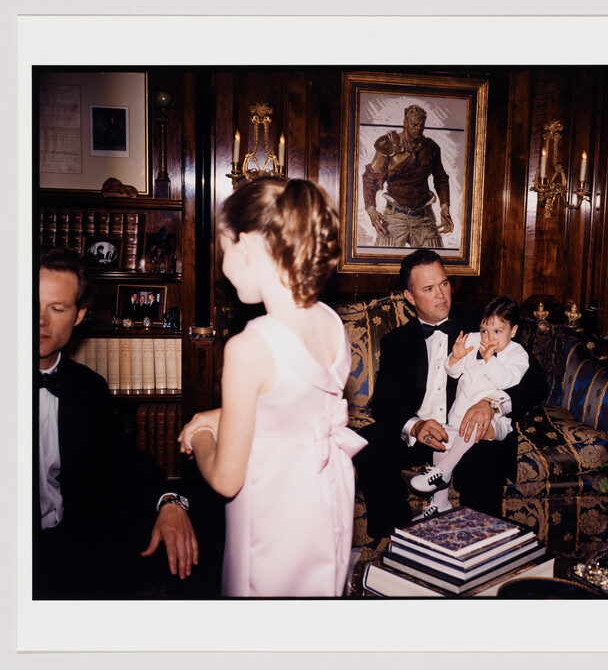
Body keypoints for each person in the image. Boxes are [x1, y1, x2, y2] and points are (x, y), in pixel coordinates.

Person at [178, 178, 366, 597]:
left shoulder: (249, 346)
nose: (225, 268)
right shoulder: (332, 324)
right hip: (322, 501)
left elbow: (228, 479)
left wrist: (205, 434)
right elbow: (291, 409)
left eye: (224, 251)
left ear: (244, 246)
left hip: (271, 516)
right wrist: (221, 413)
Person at [36, 247, 198, 599]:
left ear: (79, 316)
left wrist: (169, 502)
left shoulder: (88, 387)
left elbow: (123, 461)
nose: (40, 320)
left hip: (69, 550)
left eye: (57, 308)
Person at [352, 249, 548, 539]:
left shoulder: (482, 324)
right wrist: (415, 426)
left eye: (443, 283)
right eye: (429, 288)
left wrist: (491, 404)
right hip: (426, 434)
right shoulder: (397, 342)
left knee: (483, 459)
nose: (441, 294)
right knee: (368, 446)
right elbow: (383, 402)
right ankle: (395, 539)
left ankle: (481, 545)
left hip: (471, 430)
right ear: (410, 296)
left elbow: (536, 380)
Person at [408, 296, 529, 519]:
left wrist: (489, 359)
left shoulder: (517, 353)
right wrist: (455, 357)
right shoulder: (474, 339)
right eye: (485, 330)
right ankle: (440, 503)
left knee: (475, 426)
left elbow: (507, 382)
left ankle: (443, 472)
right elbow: (453, 372)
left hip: (494, 421)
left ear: (513, 331)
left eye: (497, 332)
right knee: (441, 442)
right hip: (459, 416)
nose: (489, 338)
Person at [361, 104, 453, 248]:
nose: (418, 128)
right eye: (414, 124)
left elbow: (441, 178)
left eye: (421, 125)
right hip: (395, 216)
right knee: (385, 265)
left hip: (424, 216)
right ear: (405, 123)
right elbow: (370, 179)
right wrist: (371, 210)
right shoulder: (388, 144)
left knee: (433, 263)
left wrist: (445, 207)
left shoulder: (431, 148)